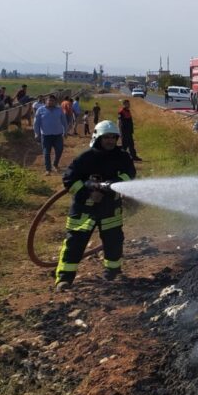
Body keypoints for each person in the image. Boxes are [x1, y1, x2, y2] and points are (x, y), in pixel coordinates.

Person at [55, 120, 136, 291]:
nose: (110, 141)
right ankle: (64, 278)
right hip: (84, 209)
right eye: (106, 137)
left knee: (114, 241)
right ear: (98, 137)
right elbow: (69, 179)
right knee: (75, 243)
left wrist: (113, 183)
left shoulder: (122, 157)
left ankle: (113, 272)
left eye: (113, 137)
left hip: (110, 207)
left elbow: (130, 174)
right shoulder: (85, 158)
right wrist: (88, 192)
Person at [34, 96, 68, 175]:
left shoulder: (59, 110)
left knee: (59, 150)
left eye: (52, 101)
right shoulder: (40, 110)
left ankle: (55, 164)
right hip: (46, 135)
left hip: (58, 135)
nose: (50, 102)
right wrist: (36, 133)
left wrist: (65, 131)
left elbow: (64, 121)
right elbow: (36, 123)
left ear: (55, 102)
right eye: (49, 100)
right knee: (46, 152)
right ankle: (48, 169)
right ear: (46, 101)